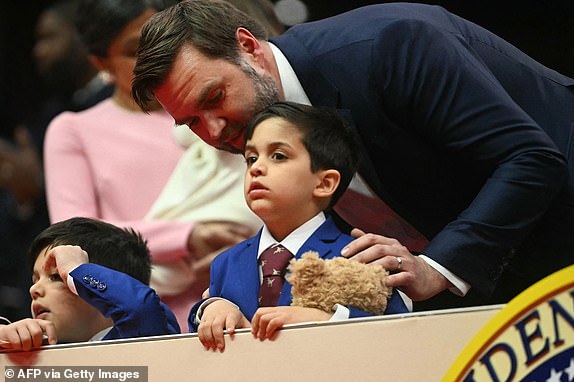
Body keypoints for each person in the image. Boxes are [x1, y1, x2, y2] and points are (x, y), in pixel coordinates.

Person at [131, 0, 574, 311]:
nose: (215, 131)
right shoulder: (265, 131)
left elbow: (530, 157)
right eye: (190, 122)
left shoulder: (388, 44)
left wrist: (438, 268)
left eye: (214, 98)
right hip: (487, 290)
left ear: (249, 47)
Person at [43, 0, 258, 329]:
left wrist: (242, 250)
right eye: (133, 52)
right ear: (101, 62)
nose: (153, 61)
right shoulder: (73, 130)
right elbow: (75, 237)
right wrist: (187, 236)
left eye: (159, 46)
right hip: (135, 313)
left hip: (237, 299)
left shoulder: (206, 110)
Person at [189, 102, 409, 352]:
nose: (257, 168)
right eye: (251, 158)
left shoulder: (359, 255)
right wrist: (212, 307)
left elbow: (399, 337)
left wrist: (328, 321)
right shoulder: (226, 262)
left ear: (325, 183)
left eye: (278, 156)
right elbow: (197, 334)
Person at [0, 0, 113, 322]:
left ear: (81, 40)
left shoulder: (117, 107)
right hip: (41, 283)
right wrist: (24, 196)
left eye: (49, 38)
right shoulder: (47, 115)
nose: (38, 51)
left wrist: (38, 184)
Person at [0, 217, 180, 351]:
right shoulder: (33, 351)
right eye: (35, 280)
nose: (34, 289)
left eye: (56, 277)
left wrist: (78, 270)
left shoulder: (142, 333)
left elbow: (140, 308)